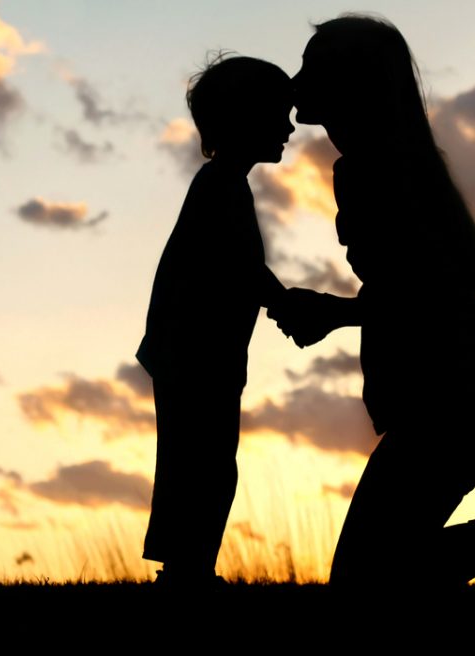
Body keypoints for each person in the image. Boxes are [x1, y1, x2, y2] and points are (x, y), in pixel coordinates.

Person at [270, 15, 475, 588]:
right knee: (381, 572)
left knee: (366, 580)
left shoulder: (378, 171)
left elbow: (424, 294)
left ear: (350, 82)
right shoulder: (381, 163)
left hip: (447, 401)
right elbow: (411, 289)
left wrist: (335, 311)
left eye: (311, 68)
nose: (296, 81)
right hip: (444, 400)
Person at [137, 54, 294, 586]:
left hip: (200, 351)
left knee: (201, 460)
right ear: (245, 118)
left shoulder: (224, 183)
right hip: (195, 352)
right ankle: (187, 571)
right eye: (279, 113)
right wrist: (289, 303)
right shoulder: (221, 185)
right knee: (201, 463)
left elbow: (242, 269)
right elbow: (243, 267)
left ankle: (187, 567)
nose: (289, 126)